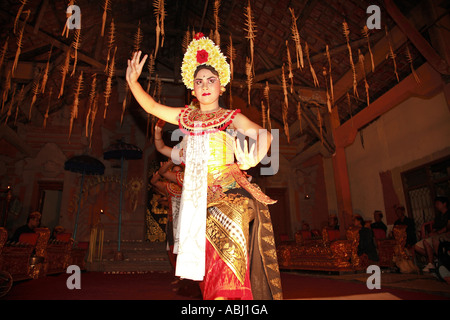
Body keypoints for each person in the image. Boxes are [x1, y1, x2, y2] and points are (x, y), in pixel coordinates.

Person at [126, 33, 282, 300]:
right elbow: (152, 106)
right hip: (196, 197)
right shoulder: (185, 116)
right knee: (205, 256)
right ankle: (215, 297)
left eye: (211, 80)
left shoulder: (230, 117)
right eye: (199, 82)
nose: (205, 86)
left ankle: (229, 296)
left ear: (222, 87)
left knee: (233, 230)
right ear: (192, 88)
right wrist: (133, 83)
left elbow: (265, 135)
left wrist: (254, 157)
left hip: (229, 190)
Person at [415, 196, 450, 272]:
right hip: (437, 234)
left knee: (434, 240)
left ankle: (441, 262)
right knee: (419, 245)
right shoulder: (438, 216)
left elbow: (447, 227)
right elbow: (434, 227)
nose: (436, 206)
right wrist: (430, 234)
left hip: (444, 235)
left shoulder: (448, 214)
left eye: (438, 203)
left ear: (444, 204)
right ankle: (432, 261)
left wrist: (437, 233)